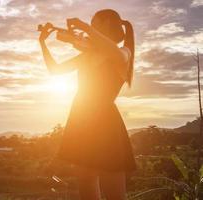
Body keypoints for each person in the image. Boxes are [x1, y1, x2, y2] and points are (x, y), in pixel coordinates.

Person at [39, 9, 137, 200]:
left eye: (94, 23)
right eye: (89, 24)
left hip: (106, 125)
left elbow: (116, 53)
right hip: (82, 122)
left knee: (114, 194)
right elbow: (55, 70)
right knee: (86, 186)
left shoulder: (123, 52)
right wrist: (43, 43)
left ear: (107, 24)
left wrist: (83, 27)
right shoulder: (87, 55)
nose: (90, 27)